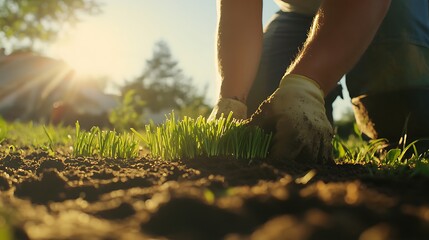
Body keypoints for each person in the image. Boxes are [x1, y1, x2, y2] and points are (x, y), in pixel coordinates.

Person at [209, 0, 429, 163]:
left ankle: (403, 146)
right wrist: (232, 99)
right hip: (299, 12)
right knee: (263, 116)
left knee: (403, 109)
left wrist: (307, 84)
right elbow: (238, 8)